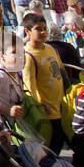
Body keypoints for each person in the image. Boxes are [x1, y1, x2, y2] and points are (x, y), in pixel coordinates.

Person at [21, 12, 66, 155]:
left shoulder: (51, 49)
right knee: (51, 147)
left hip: (61, 105)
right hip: (47, 110)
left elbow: (61, 72)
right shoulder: (28, 55)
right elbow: (29, 85)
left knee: (60, 142)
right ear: (27, 31)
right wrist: (38, 103)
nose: (43, 32)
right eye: (38, 29)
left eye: (44, 28)